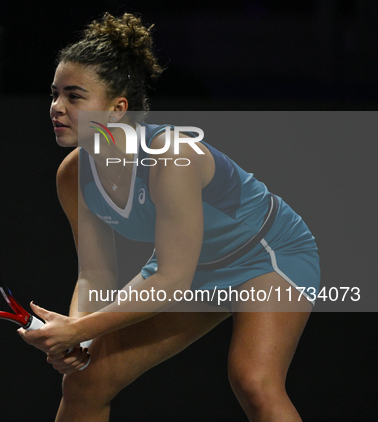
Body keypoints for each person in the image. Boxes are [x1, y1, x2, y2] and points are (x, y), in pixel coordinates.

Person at [19, 12, 320, 422]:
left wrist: (81, 330)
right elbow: (96, 275)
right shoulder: (72, 175)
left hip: (267, 254)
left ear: (117, 109)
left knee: (254, 380)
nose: (56, 107)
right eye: (54, 94)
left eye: (74, 96)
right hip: (192, 266)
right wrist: (80, 339)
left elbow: (173, 280)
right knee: (86, 381)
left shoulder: (172, 157)